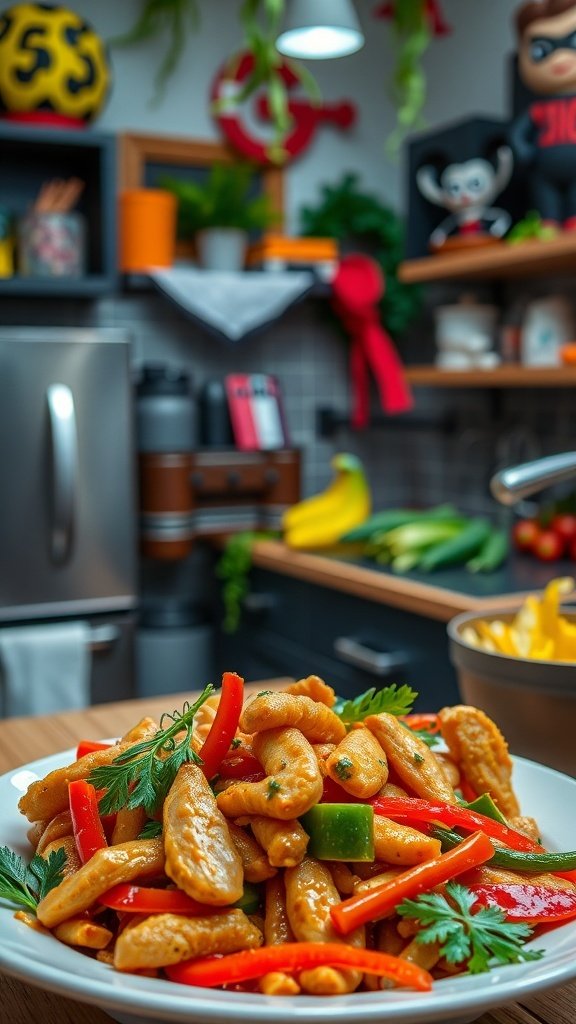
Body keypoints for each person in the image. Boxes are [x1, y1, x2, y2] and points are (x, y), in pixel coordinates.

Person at [511, 0, 576, 228]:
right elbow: (518, 134)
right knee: (545, 207)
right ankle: (549, 222)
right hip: (543, 173)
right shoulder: (537, 110)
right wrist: (522, 150)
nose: (559, 59)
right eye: (542, 51)